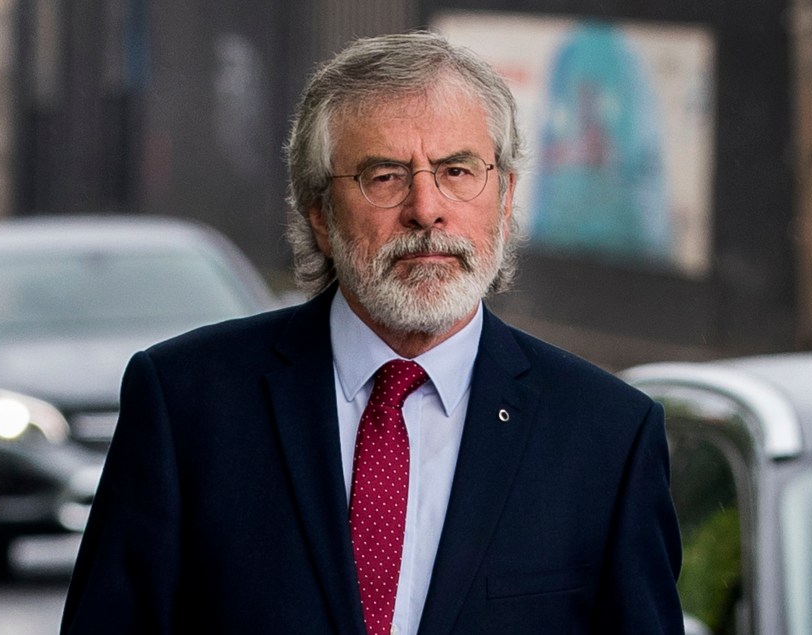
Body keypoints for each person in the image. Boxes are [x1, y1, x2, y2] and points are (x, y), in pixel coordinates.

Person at [61, 31, 683, 634]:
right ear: (319, 214)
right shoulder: (185, 405)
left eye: (458, 171)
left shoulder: (608, 439)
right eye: (384, 176)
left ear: (505, 197)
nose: (426, 207)